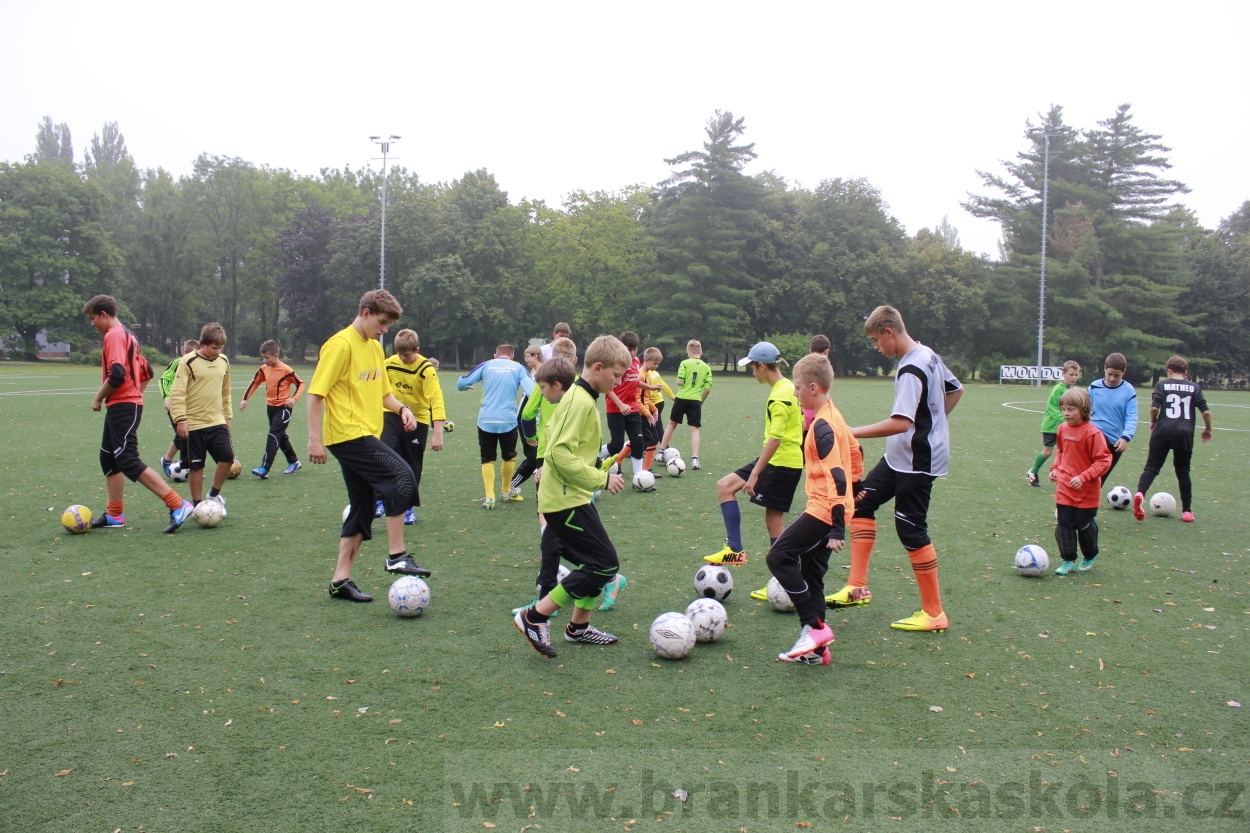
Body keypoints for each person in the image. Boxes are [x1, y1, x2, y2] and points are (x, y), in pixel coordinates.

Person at [836, 305, 962, 632]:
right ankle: (857, 586)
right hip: (899, 458)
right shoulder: (928, 354)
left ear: (889, 332)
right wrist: (934, 423)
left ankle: (934, 613)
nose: (878, 348)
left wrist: (851, 431)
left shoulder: (911, 368)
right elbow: (956, 389)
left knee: (911, 528)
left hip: (918, 462)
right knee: (862, 503)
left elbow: (900, 422)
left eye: (877, 341)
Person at [307, 289, 429, 604]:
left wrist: (402, 408)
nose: (385, 329)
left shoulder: (375, 348)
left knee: (362, 508)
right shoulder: (339, 345)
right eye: (382, 321)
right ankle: (397, 555)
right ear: (365, 312)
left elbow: (383, 394)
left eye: (389, 324)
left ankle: (339, 581)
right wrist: (313, 438)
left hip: (366, 433)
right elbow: (316, 393)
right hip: (347, 434)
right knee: (403, 476)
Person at [513, 336, 631, 657]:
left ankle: (578, 627)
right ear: (597, 367)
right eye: (616, 375)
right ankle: (535, 616)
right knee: (604, 565)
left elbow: (568, 449)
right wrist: (600, 478)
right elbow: (557, 456)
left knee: (595, 563)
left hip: (571, 496)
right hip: (563, 500)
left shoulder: (582, 397)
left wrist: (602, 464)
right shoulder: (579, 400)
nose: (618, 382)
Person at [767, 353, 859, 664]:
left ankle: (815, 627)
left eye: (798, 388)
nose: (795, 393)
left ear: (814, 388)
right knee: (812, 574)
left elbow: (836, 474)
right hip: (834, 505)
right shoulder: (834, 415)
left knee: (778, 557)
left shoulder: (822, 427)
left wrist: (836, 524)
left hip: (825, 510)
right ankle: (818, 653)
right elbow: (856, 452)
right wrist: (854, 494)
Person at [83, 295, 195, 532]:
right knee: (109, 459)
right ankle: (115, 515)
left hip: (123, 405)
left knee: (127, 459)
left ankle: (179, 505)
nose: (92, 324)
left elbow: (116, 374)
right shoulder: (129, 336)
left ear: (104, 314)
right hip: (123, 404)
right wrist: (134, 394)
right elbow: (147, 371)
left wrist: (99, 397)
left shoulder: (113, 335)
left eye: (93, 318)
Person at [703, 342, 803, 591]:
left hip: (781, 462)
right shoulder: (789, 387)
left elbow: (776, 438)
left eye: (752, 367)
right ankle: (735, 550)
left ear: (761, 366)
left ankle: (787, 579)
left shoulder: (779, 395)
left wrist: (756, 473)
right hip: (779, 459)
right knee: (725, 486)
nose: (751, 372)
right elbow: (801, 425)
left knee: (774, 521)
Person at [1132, 355, 1212, 522]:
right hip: (1184, 433)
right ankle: (1187, 512)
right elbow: (1205, 411)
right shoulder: (1194, 387)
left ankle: (1140, 493)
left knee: (1152, 467)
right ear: (1186, 372)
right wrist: (1207, 429)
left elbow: (1154, 408)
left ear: (1168, 370)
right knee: (1183, 471)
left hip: (1162, 431)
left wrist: (1153, 421)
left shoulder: (1162, 384)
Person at [169, 323, 236, 516]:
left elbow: (226, 391)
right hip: (193, 424)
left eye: (220, 348)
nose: (217, 351)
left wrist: (228, 416)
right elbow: (178, 392)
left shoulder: (223, 361)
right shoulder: (188, 362)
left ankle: (214, 494)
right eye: (214, 347)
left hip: (216, 421)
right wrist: (181, 420)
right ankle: (198, 506)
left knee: (227, 458)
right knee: (196, 466)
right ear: (203, 344)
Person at [457, 344, 534, 508]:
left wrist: (464, 387)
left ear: (495, 355)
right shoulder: (518, 368)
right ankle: (506, 492)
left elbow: (461, 383)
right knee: (509, 456)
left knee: (487, 459)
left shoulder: (486, 365)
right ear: (512, 355)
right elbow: (532, 390)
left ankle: (489, 496)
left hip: (486, 420)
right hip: (508, 420)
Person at [382, 329, 446, 523]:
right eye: (400, 354)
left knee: (412, 465)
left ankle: (407, 507)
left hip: (418, 418)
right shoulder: (389, 364)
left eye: (407, 354)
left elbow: (436, 399)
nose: (402, 358)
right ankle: (379, 500)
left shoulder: (426, 369)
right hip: (392, 413)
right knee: (384, 452)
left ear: (417, 349)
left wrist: (438, 433)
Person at [1049, 387, 1113, 574]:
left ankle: (1090, 554)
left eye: (1071, 409)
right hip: (1064, 488)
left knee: (1083, 526)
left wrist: (1083, 477)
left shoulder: (1092, 433)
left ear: (1083, 409)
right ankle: (1068, 560)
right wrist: (1055, 468)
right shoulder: (1062, 429)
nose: (1066, 413)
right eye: (1063, 409)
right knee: (1064, 525)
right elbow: (1061, 452)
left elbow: (1104, 460)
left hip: (1087, 491)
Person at [239, 340, 304, 478]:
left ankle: (265, 467)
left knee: (273, 435)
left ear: (275, 355)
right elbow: (255, 382)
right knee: (279, 437)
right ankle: (294, 461)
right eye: (263, 357)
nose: (264, 360)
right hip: (271, 408)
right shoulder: (264, 368)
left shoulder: (286, 370)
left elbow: (301, 384)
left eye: (267, 357)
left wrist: (293, 399)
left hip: (284, 408)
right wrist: (245, 399)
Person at [658, 339, 713, 470]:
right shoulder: (706, 367)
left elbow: (679, 382)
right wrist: (701, 401)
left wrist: (683, 380)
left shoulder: (684, 363)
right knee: (694, 429)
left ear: (688, 351)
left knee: (672, 424)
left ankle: (660, 453)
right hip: (695, 400)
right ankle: (695, 459)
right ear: (701, 351)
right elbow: (707, 389)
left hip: (681, 398)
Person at [1026, 361, 1081, 486]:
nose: (1073, 377)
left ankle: (1063, 476)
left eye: (1076, 375)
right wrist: (1067, 420)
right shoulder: (1058, 389)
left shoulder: (1073, 390)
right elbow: (1052, 409)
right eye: (1071, 374)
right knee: (1047, 452)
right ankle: (1033, 471)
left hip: (1065, 427)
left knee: (1068, 451)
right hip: (1051, 426)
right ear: (1063, 373)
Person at [604, 331, 647, 482]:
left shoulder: (636, 362)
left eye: (634, 349)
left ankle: (639, 477)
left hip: (633, 409)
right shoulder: (615, 363)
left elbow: (634, 381)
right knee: (616, 445)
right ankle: (595, 459)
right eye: (629, 349)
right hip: (615, 409)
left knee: (638, 442)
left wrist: (650, 387)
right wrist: (620, 404)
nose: (632, 352)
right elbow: (607, 388)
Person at [1088, 352, 1137, 481]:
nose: (1112, 378)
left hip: (1114, 443)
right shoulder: (1093, 387)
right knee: (1086, 476)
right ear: (1104, 368)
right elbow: (1083, 410)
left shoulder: (1128, 390)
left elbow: (1132, 416)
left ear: (1124, 372)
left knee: (1099, 480)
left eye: (1117, 375)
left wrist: (1125, 438)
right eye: (1109, 374)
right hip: (1093, 437)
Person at [158, 339, 199, 477]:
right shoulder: (178, 362)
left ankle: (170, 460)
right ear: (185, 352)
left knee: (187, 434)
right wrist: (167, 398)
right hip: (175, 404)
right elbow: (164, 379)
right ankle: (175, 463)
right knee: (183, 434)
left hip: (188, 405)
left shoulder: (196, 363)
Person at [640, 346, 673, 472]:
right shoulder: (641, 376)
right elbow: (638, 399)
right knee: (649, 437)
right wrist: (648, 413)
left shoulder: (649, 375)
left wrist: (654, 410)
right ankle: (645, 468)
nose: (656, 366)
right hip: (643, 412)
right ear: (647, 360)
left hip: (650, 408)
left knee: (649, 436)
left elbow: (646, 397)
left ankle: (646, 467)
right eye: (655, 363)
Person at [801, 334, 832, 433]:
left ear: (810, 352)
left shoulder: (802, 369)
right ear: (827, 352)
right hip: (821, 420)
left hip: (804, 420)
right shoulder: (827, 371)